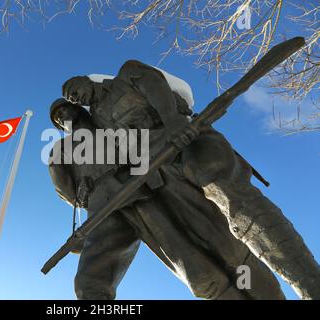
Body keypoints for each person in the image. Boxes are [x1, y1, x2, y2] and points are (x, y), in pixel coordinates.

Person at [61, 60, 320, 299]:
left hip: (186, 139)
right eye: (71, 97)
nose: (74, 96)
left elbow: (155, 86)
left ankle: (311, 285)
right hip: (161, 169)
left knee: (238, 204)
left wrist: (172, 119)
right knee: (209, 258)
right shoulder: (97, 122)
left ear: (86, 79)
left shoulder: (125, 75)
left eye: (74, 88)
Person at [48, 98, 285, 300]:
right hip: (105, 208)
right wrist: (91, 194)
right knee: (198, 275)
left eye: (67, 109)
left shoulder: (111, 126)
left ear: (79, 110)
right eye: (59, 117)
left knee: (221, 256)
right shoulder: (60, 150)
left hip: (148, 188)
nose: (65, 116)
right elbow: (67, 190)